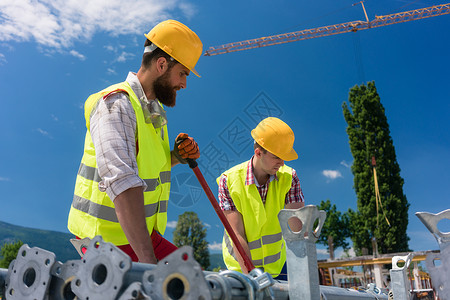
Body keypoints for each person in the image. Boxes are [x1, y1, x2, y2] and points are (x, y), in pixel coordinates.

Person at [67, 20, 203, 264]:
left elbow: (145, 165)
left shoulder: (153, 112)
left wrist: (176, 157)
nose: (184, 84)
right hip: (107, 241)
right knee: (181, 283)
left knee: (190, 276)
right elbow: (122, 182)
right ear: (162, 64)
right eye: (182, 73)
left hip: (137, 235)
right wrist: (148, 265)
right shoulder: (117, 104)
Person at [217, 117, 305, 280]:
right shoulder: (228, 181)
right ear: (258, 152)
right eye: (277, 156)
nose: (282, 162)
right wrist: (252, 278)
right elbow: (237, 234)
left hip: (277, 268)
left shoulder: (289, 177)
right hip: (240, 268)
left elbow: (297, 231)